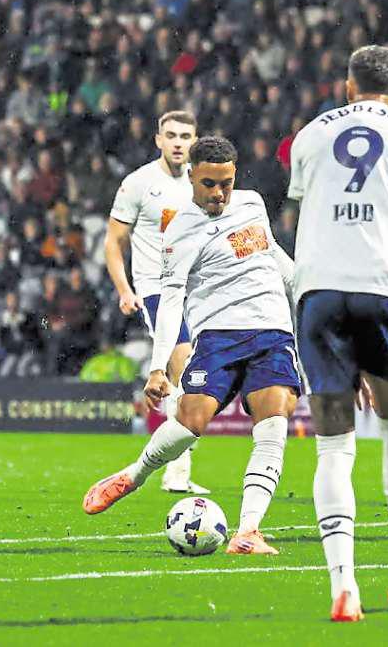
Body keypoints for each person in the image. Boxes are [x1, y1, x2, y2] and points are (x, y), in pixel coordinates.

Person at [84, 137, 301, 556]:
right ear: (192, 178)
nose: (219, 193)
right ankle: (134, 475)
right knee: (191, 422)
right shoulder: (180, 228)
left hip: (273, 331)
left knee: (274, 421)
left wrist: (308, 290)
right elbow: (171, 297)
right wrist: (157, 367)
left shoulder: (253, 203)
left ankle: (248, 531)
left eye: (226, 183)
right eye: (209, 184)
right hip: (218, 335)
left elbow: (272, 253)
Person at [288, 45, 388, 622]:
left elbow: (307, 209)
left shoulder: (309, 135)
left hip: (320, 288)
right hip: (386, 288)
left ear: (348, 87)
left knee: (333, 443)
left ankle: (343, 588)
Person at [104, 110, 209, 495]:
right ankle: (176, 471)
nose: (179, 142)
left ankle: (176, 460)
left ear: (195, 140)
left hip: (199, 288)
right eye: (172, 135)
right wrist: (124, 290)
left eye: (186, 135)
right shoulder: (139, 184)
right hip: (157, 288)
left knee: (200, 374)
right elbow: (113, 242)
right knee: (183, 367)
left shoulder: (202, 181)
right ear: (158, 140)